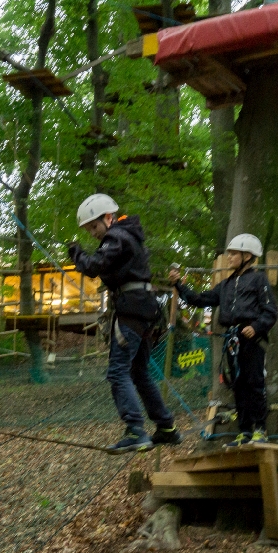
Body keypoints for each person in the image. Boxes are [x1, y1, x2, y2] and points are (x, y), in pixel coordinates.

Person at [67, 194, 180, 454]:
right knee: (139, 372)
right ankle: (166, 427)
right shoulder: (129, 237)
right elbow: (110, 269)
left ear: (108, 218)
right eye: (88, 230)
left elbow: (95, 266)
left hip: (131, 311)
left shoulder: (116, 236)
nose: (93, 233)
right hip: (144, 311)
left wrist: (77, 254)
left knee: (118, 371)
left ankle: (135, 430)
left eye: (94, 226)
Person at [169, 234, 278, 447]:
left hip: (253, 339)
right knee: (238, 385)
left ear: (247, 256)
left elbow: (271, 310)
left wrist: (256, 327)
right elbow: (200, 299)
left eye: (234, 253)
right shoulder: (226, 285)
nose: (229, 257)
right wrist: (179, 286)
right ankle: (245, 431)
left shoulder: (259, 280)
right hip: (233, 339)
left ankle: (260, 430)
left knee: (254, 383)